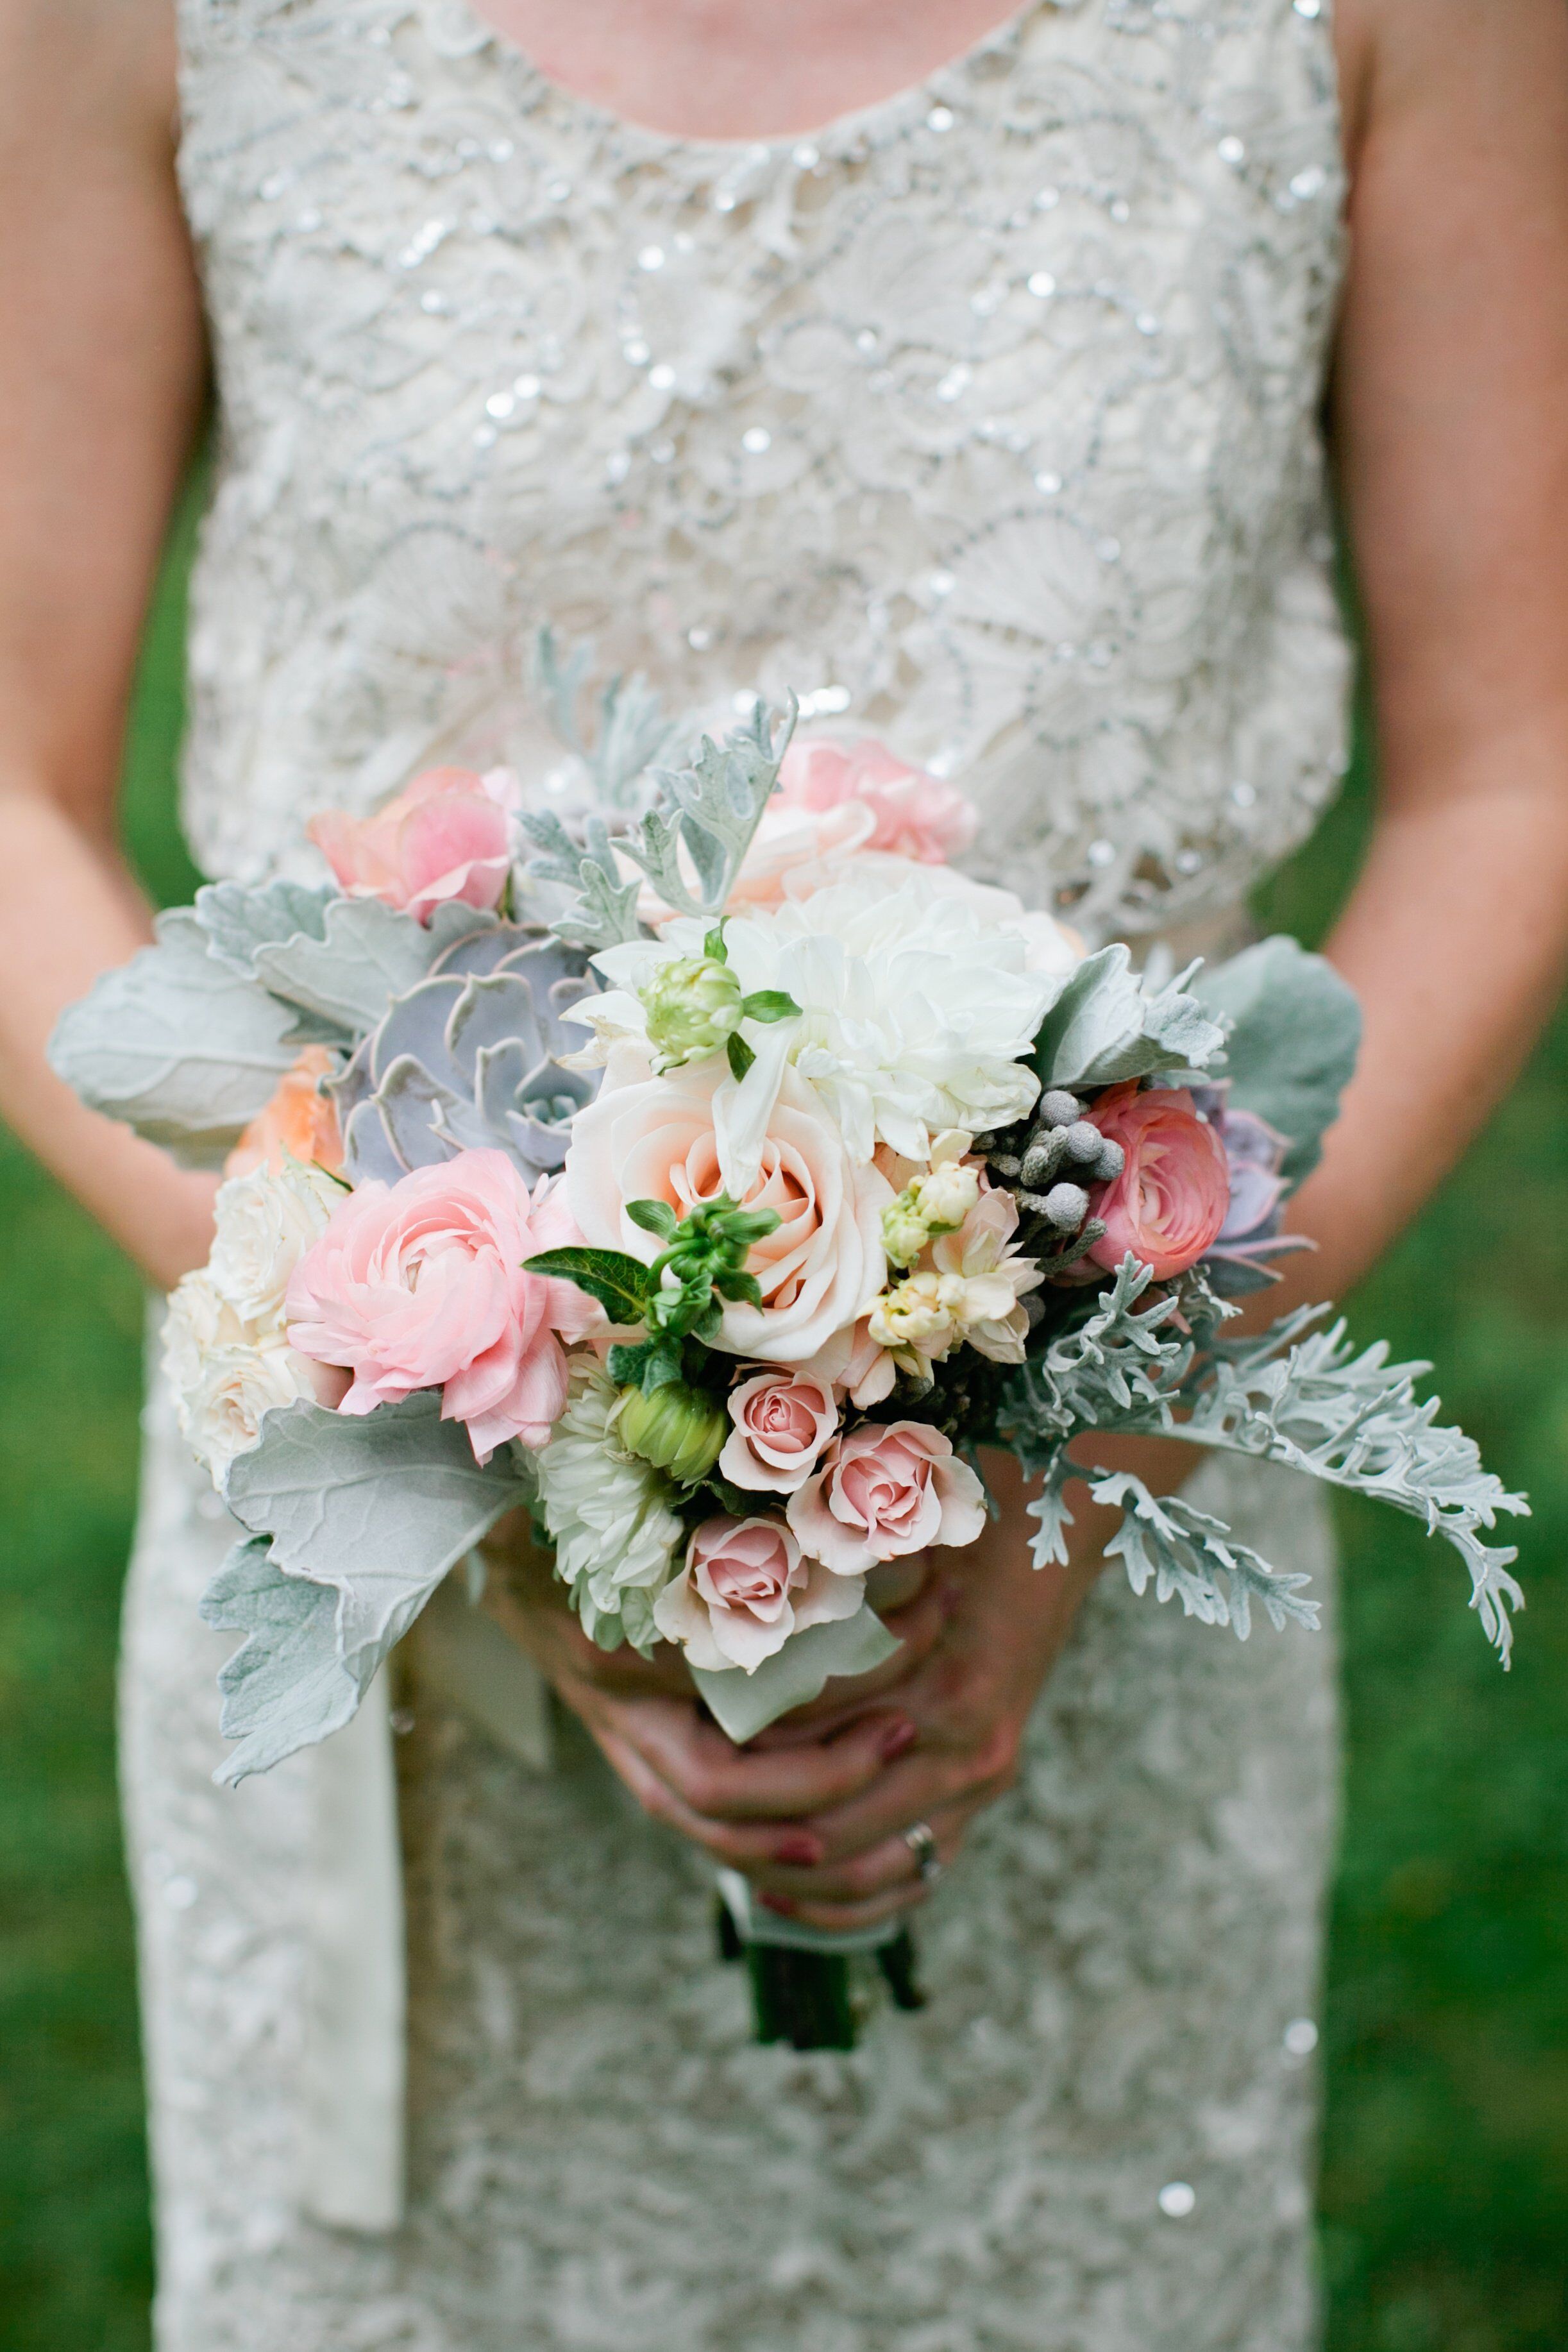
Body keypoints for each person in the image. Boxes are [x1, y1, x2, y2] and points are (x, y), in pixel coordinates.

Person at [2, 1, 1567, 2345]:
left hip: (1097, 1557)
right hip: (394, 1608)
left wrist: (1065, 1458)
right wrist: (473, 1435)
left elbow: (1517, 760)